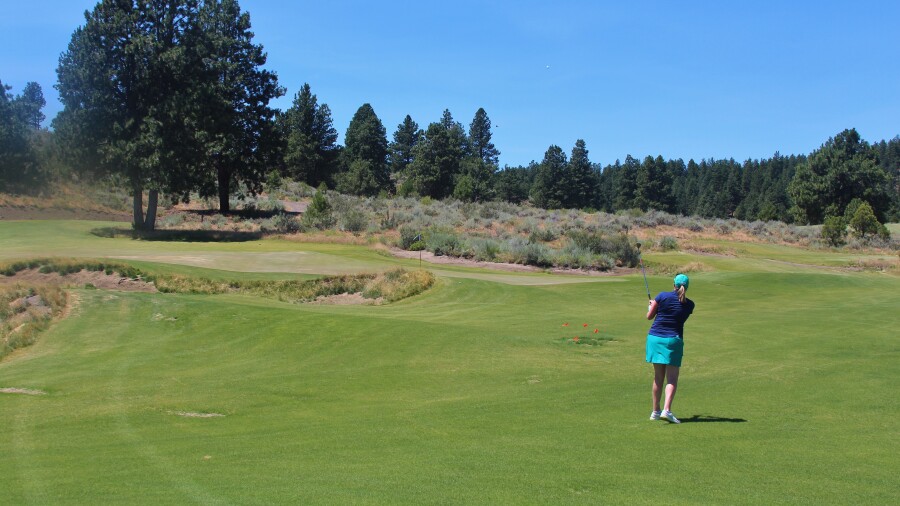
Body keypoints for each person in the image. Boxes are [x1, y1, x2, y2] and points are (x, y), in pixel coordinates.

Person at [645, 273, 695, 424]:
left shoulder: (662, 296)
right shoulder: (690, 305)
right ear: (686, 287)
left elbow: (649, 316)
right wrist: (656, 306)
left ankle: (655, 411)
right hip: (672, 340)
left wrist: (652, 305)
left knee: (658, 377)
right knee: (671, 378)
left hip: (655, 338)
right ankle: (666, 410)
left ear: (673, 284)